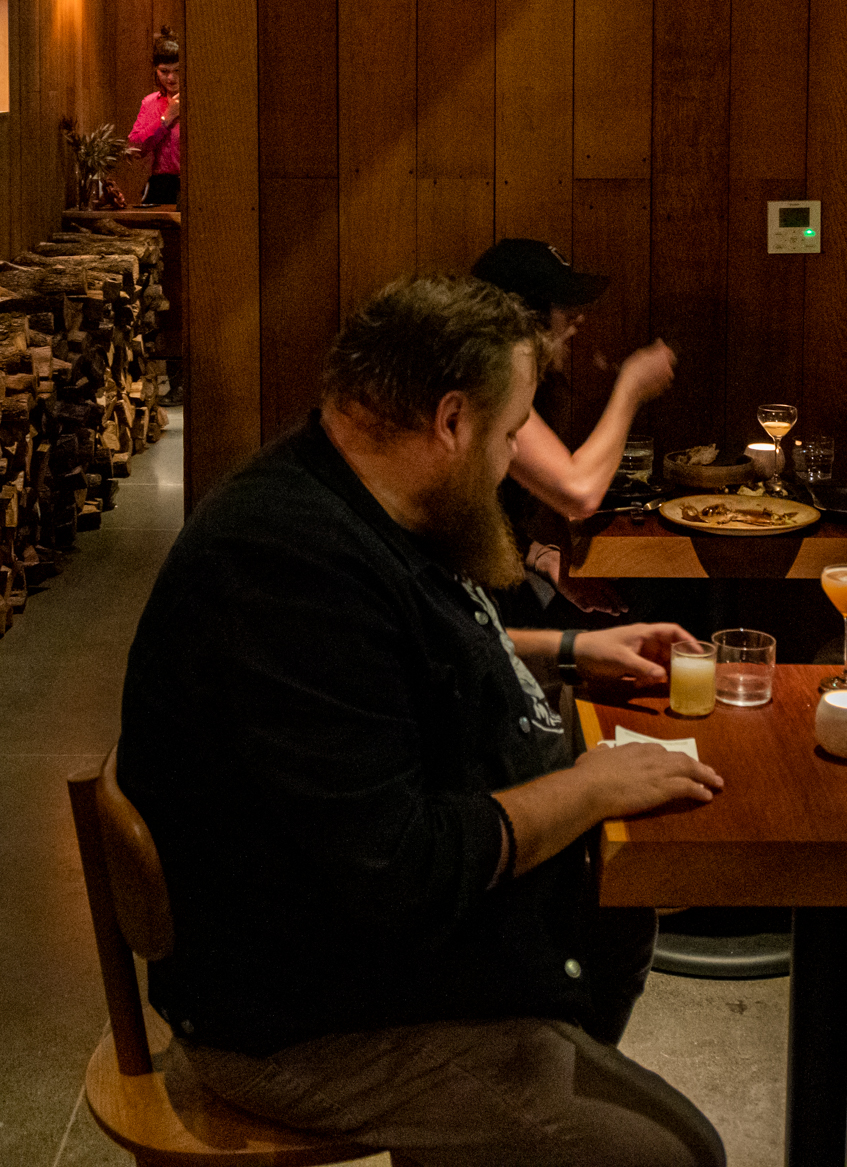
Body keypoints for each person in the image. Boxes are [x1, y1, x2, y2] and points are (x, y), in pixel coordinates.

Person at [118, 274, 729, 1167]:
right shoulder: (284, 565)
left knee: (612, 911)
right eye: (514, 429)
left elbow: (411, 648)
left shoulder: (356, 493)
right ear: (450, 421)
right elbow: (403, 866)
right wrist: (589, 785)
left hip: (373, 964)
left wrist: (567, 650)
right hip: (304, 1015)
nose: (515, 451)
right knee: (679, 1156)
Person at [468, 236, 677, 625]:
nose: (578, 319)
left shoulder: (528, 385)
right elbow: (578, 493)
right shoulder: (480, 385)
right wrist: (630, 388)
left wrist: (540, 556)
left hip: (480, 578)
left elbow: (481, 514)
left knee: (650, 597)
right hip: (447, 601)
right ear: (524, 316)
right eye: (563, 306)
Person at [127, 32, 184, 205]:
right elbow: (135, 147)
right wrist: (166, 118)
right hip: (161, 184)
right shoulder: (151, 102)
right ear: (156, 70)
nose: (171, 78)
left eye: (177, 70)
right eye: (164, 71)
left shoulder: (203, 100)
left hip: (195, 182)